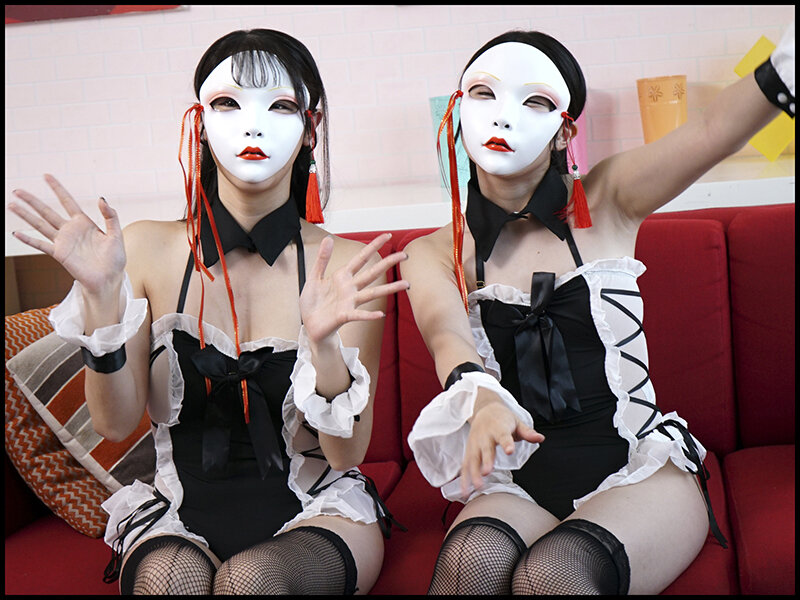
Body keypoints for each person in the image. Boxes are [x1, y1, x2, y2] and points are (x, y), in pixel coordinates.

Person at [9, 28, 409, 595]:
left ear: (311, 127)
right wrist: (100, 300)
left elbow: (346, 453)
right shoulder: (145, 248)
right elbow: (114, 424)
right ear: (198, 122)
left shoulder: (342, 264)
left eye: (280, 106)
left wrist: (322, 346)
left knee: (251, 582)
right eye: (227, 103)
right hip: (177, 514)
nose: (253, 125)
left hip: (319, 511)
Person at [402, 26, 794, 595]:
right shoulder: (434, 252)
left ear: (565, 130)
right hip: (518, 483)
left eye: (534, 101)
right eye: (484, 93)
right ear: (458, 110)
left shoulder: (610, 198)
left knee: (554, 578)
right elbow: (445, 334)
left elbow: (710, 131)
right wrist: (480, 396)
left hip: (637, 470)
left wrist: (782, 71)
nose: (503, 117)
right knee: (468, 569)